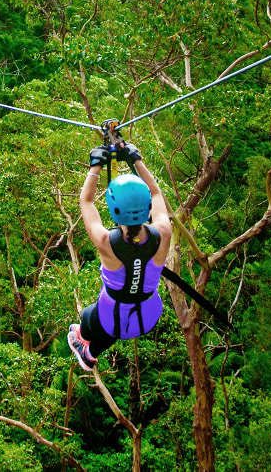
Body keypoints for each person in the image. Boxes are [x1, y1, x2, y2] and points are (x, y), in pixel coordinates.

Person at [67, 141, 172, 371]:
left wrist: (95, 166)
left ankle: (83, 344)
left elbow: (86, 201)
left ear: (115, 209)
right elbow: (156, 193)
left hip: (111, 315)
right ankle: (90, 354)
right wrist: (136, 160)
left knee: (87, 318)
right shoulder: (163, 233)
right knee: (114, 325)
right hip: (148, 314)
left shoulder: (107, 242)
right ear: (146, 209)